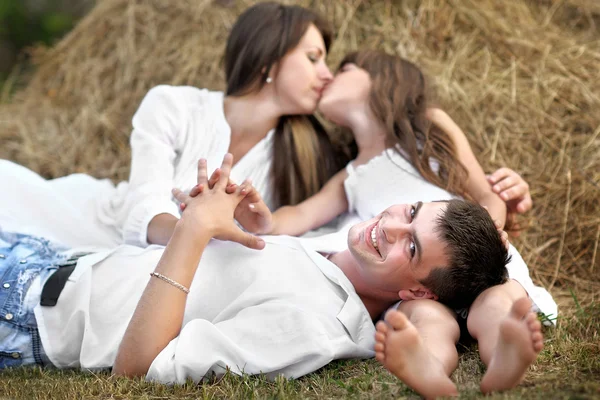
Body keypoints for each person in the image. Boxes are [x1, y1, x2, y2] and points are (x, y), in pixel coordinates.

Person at [0, 154, 510, 383]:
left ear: (419, 295)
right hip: (59, 260)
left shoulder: (312, 326)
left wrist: (194, 232)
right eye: (412, 211)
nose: (392, 224)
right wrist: (228, 223)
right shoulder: (334, 258)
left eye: (412, 248)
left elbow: (137, 368)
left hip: (30, 315)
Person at [228, 50, 555, 397]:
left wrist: (486, 232)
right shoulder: (350, 176)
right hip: (411, 275)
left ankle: (502, 351)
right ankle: (430, 368)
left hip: (467, 250)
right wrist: (265, 220)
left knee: (497, 301)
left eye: (344, 69)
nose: (326, 77)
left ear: (383, 77)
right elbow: (301, 216)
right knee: (427, 318)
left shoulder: (428, 126)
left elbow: (486, 195)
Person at [0, 2, 341, 249]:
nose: (327, 74)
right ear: (268, 56)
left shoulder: (304, 152)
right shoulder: (173, 104)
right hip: (91, 226)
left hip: (172, 273)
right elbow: (144, 205)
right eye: (313, 58)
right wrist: (197, 232)